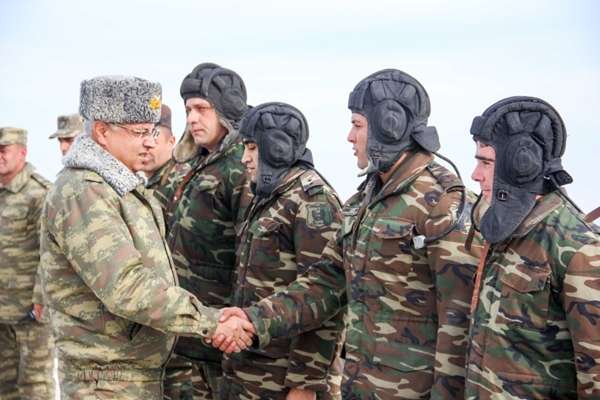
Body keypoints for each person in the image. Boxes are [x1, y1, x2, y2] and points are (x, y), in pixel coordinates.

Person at [218, 69, 482, 399]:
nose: (349, 137)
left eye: (357, 124)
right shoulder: (362, 204)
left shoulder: (445, 202)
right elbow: (326, 282)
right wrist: (254, 319)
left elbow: (461, 320)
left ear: (390, 125)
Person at [39, 75, 253, 399]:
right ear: (101, 132)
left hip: (130, 377)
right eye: (139, 133)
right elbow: (127, 285)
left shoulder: (120, 187)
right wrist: (210, 321)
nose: (151, 142)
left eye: (152, 131)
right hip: (106, 381)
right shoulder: (84, 191)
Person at [465, 96, 600, 399]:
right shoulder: (504, 236)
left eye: (485, 162)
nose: (475, 174)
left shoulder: (578, 249)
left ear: (520, 165)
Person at [221, 102, 345, 400]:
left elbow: (326, 297)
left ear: (275, 148)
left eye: (251, 148)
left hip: (283, 379)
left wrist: (305, 384)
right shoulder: (267, 197)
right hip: (249, 371)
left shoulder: (313, 201)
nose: (245, 158)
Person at [156, 63, 253, 400]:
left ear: (226, 111)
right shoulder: (190, 163)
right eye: (187, 110)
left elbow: (252, 256)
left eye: (202, 109)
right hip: (184, 335)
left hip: (222, 340)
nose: (192, 118)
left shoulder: (243, 167)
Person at [0, 126, 55, 399]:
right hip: (3, 310)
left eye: (3, 150)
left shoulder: (39, 193)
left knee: (35, 387)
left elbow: (49, 254)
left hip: (31, 312)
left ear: (22, 152)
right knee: (5, 386)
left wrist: (39, 300)